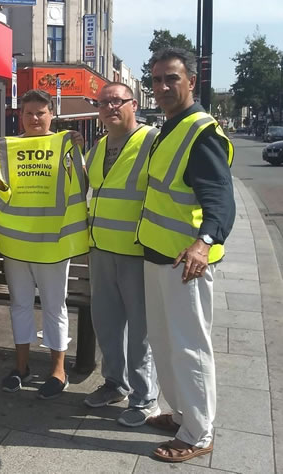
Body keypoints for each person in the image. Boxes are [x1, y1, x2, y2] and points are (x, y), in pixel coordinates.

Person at [137, 48, 235, 462]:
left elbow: (221, 200)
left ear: (191, 82)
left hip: (186, 264)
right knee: (164, 343)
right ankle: (181, 413)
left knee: (189, 347)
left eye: (170, 79)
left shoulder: (201, 132)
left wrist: (205, 242)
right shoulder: (169, 127)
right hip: (158, 256)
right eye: (156, 80)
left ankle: (198, 433)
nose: (161, 87)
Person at [0, 89, 88, 400]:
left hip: (53, 244)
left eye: (40, 113)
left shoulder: (66, 145)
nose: (34, 118)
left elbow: (82, 185)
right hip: (16, 243)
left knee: (54, 306)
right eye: (29, 113)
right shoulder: (7, 148)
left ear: (51, 116)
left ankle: (57, 370)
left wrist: (76, 151)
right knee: (19, 305)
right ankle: (21, 367)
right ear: (21, 116)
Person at [83, 82, 160, 426]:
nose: (110, 107)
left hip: (136, 251)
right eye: (103, 103)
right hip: (101, 250)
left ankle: (145, 399)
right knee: (107, 325)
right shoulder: (98, 146)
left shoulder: (152, 140)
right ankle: (116, 383)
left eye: (117, 101)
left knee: (141, 330)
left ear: (133, 104)